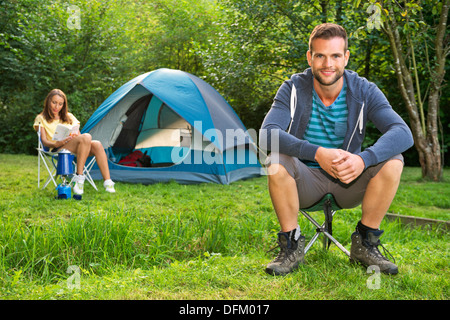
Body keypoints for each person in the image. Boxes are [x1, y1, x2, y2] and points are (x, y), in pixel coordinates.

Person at [260, 23, 413, 276]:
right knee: (275, 159)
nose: (327, 63)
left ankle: (365, 244)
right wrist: (318, 153)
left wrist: (364, 160)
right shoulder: (293, 88)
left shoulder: (364, 90)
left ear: (346, 57)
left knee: (393, 159)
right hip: (304, 182)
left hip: (349, 182)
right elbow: (267, 134)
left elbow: (402, 132)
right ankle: (291, 245)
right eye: (319, 55)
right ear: (310, 57)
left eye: (335, 56)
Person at [34, 89, 116, 195]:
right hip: (57, 148)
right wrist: (56, 143)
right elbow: (44, 141)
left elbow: (79, 135)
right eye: (54, 102)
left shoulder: (69, 116)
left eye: (60, 104)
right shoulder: (41, 118)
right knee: (87, 136)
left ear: (63, 105)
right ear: (48, 101)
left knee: (97, 144)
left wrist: (73, 136)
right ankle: (79, 177)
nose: (56, 107)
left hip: (74, 146)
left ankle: (107, 181)